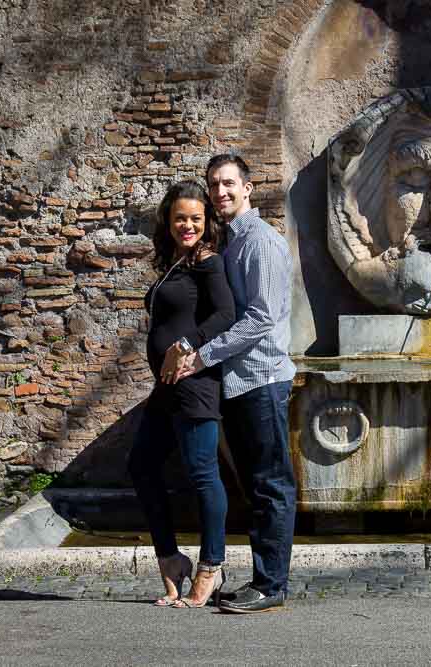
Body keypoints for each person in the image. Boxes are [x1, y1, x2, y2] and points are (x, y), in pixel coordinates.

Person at [162, 153, 297, 614]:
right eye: (213, 185)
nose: (220, 193)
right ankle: (262, 578)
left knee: (271, 485)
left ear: (248, 187)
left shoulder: (259, 241)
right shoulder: (230, 241)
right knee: (255, 486)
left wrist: (201, 357)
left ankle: (273, 584)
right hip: (238, 383)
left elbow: (259, 318)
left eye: (228, 184)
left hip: (261, 378)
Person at [128, 180, 236, 609]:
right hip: (167, 387)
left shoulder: (207, 262)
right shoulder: (175, 261)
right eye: (179, 218)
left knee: (202, 472)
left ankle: (212, 565)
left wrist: (187, 345)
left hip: (194, 386)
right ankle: (170, 558)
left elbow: (227, 314)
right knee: (141, 466)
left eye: (195, 218)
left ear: (206, 221)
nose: (187, 225)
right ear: (167, 220)